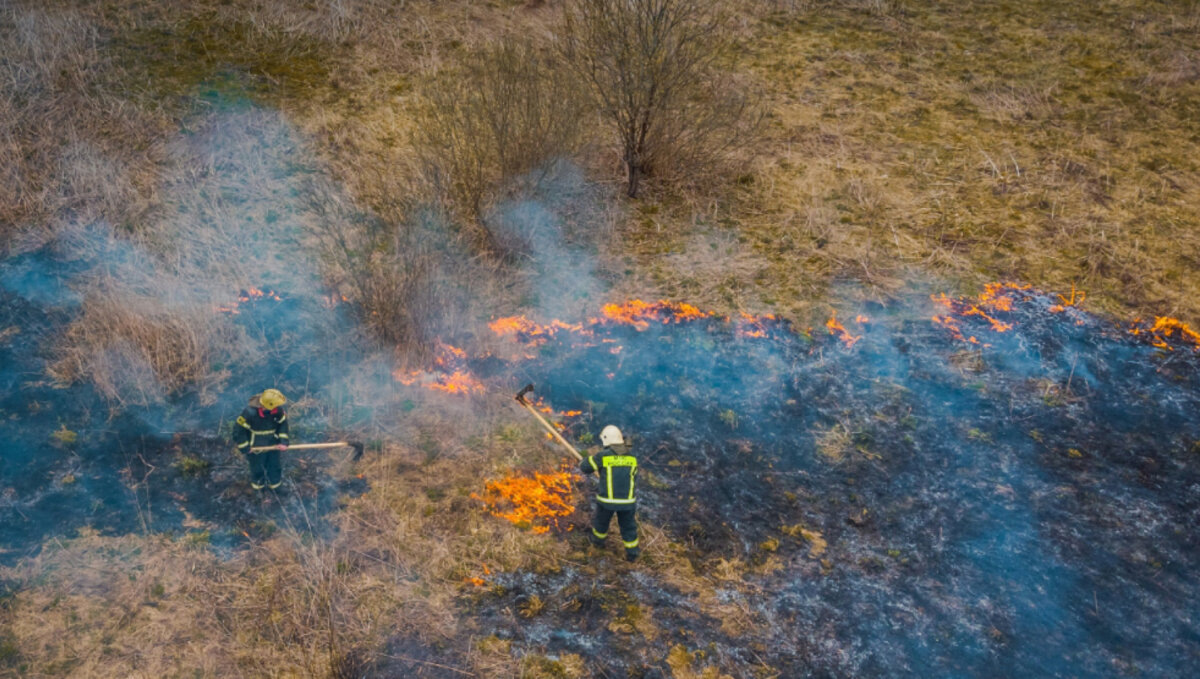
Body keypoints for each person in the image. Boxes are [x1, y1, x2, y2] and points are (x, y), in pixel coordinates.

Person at [579, 425, 639, 561]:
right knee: (629, 528)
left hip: (607, 502)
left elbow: (586, 468)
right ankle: (632, 554)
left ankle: (597, 544)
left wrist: (584, 461)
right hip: (628, 502)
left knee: (601, 523)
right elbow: (633, 477)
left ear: (606, 439)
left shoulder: (603, 456)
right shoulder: (632, 458)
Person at [232, 388, 289, 490]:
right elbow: (239, 431)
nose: (278, 407)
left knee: (274, 467)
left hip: (273, 446)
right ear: (267, 405)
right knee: (257, 469)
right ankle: (259, 489)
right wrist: (245, 447)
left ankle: (276, 487)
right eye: (275, 405)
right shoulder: (249, 413)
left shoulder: (278, 411)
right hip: (256, 448)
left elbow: (283, 425)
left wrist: (283, 441)